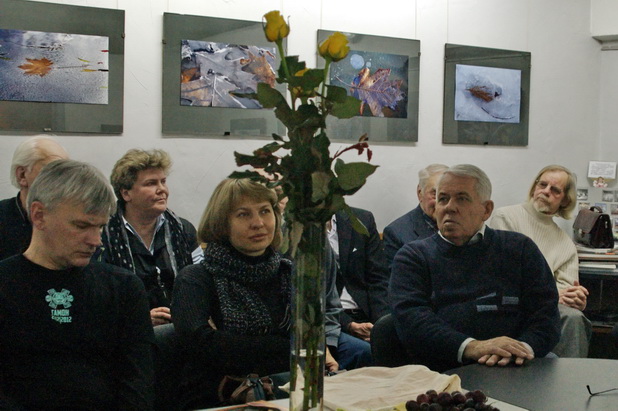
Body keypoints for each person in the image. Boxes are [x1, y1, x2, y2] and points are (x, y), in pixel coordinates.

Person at [0, 159, 154, 410]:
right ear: (39, 215)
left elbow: (138, 386)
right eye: (81, 226)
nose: (96, 241)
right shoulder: (6, 285)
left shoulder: (124, 288)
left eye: (100, 227)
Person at [389, 164, 561, 372]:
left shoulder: (520, 249)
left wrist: (521, 349)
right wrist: (473, 347)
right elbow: (412, 321)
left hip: (518, 365)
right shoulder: (413, 257)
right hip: (445, 369)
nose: (449, 207)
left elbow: (546, 315)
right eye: (443, 199)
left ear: (486, 210)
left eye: (462, 198)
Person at [171, 178, 292, 409]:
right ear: (222, 223)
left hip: (286, 391)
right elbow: (202, 345)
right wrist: (285, 347)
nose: (258, 223)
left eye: (265, 211)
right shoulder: (196, 279)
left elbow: (309, 338)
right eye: (243, 214)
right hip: (216, 398)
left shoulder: (288, 274)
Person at [490, 165, 592, 358]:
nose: (546, 191)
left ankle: (569, 376)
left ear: (565, 200)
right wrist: (551, 295)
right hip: (510, 302)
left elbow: (566, 290)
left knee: (573, 317)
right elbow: (505, 274)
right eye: (542, 185)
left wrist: (575, 298)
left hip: (546, 306)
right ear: (534, 187)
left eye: (555, 190)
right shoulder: (506, 217)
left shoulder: (565, 243)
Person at [97, 149, 202, 327]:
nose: (162, 190)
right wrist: (139, 318)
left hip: (182, 327)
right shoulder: (102, 235)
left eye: (163, 181)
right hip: (125, 331)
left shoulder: (183, 229)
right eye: (151, 183)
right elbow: (96, 296)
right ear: (126, 194)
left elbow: (202, 281)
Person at [0, 135, 68, 261]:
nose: (62, 181)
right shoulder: (3, 216)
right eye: (52, 172)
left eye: (65, 172)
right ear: (22, 175)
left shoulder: (71, 217)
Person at [329, 208, 389, 342]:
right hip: (331, 321)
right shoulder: (300, 228)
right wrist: (348, 325)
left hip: (367, 314)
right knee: (362, 350)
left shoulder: (362, 220)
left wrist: (381, 324)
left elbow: (378, 278)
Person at [383, 163, 448, 266]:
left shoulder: (465, 226)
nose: (442, 202)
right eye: (435, 194)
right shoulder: (397, 233)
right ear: (420, 193)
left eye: (448, 195)